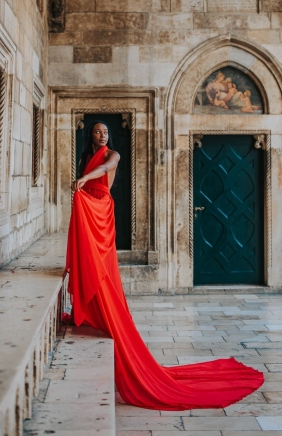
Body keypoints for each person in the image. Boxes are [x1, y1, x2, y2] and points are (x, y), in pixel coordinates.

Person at [65, 120, 264, 411]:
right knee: (90, 260)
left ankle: (99, 300)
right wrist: (83, 181)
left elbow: (105, 170)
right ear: (89, 136)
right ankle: (90, 305)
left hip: (101, 210)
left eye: (105, 131)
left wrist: (84, 179)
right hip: (88, 203)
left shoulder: (113, 155)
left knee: (102, 266)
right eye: (97, 131)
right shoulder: (86, 157)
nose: (103, 135)